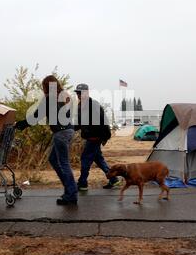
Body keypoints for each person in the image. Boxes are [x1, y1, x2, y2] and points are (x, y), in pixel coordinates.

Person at [15, 75, 77, 205]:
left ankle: (71, 194)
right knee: (53, 160)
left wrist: (20, 124)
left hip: (61, 133)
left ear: (46, 86)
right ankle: (69, 189)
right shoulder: (63, 96)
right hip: (69, 130)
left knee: (64, 163)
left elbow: (38, 115)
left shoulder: (50, 98)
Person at [74, 83, 121, 191]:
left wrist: (102, 137)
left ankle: (82, 184)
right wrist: (69, 128)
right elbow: (80, 123)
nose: (79, 95)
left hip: (94, 139)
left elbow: (103, 122)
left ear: (87, 92)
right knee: (99, 159)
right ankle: (114, 179)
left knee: (85, 159)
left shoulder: (93, 105)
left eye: (81, 93)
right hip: (90, 138)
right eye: (77, 93)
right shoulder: (81, 105)